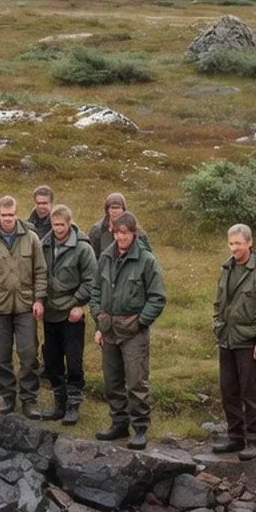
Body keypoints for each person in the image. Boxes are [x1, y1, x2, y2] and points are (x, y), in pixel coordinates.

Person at [91, 211, 166, 450]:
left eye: (125, 233)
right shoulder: (105, 257)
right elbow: (95, 290)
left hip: (134, 333)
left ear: (133, 233)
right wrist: (98, 318)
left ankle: (140, 428)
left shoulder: (146, 260)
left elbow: (157, 298)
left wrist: (140, 322)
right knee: (112, 381)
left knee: (136, 382)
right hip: (109, 330)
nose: (120, 237)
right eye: (117, 232)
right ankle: (119, 423)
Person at [0, 195, 47, 417]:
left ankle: (28, 399)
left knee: (28, 353)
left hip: (25, 306)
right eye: (4, 215)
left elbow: (40, 271)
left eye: (11, 215)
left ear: (17, 213)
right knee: (2, 355)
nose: (8, 219)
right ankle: (7, 397)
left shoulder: (31, 238)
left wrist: (39, 299)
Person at [212, 224, 256, 462]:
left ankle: (254, 439)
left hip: (250, 342)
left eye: (238, 244)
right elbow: (219, 302)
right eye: (231, 244)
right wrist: (218, 326)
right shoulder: (226, 269)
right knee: (228, 390)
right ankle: (235, 436)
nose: (233, 248)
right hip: (227, 340)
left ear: (249, 243)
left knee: (251, 392)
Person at [38, 205, 98, 425]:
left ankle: (73, 405)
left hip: (72, 311)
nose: (58, 229)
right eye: (54, 225)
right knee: (52, 360)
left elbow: (92, 281)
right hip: (50, 310)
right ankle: (59, 403)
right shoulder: (43, 244)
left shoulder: (83, 248)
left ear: (70, 223)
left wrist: (79, 303)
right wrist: (39, 300)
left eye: (61, 225)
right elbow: (38, 274)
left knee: (74, 359)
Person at [91, 192, 146, 257]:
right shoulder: (97, 230)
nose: (114, 211)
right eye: (112, 208)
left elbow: (146, 252)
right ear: (107, 210)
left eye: (117, 208)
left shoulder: (134, 229)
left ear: (123, 209)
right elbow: (91, 256)